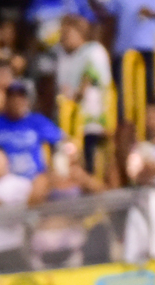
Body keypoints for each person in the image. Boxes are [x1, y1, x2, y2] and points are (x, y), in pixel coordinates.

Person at [54, 15, 114, 170]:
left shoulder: (93, 50)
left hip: (93, 112)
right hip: (72, 115)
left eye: (67, 34)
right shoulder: (66, 56)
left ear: (80, 32)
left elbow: (92, 76)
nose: (63, 38)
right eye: (62, 34)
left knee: (91, 149)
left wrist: (77, 93)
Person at [0, 80, 62, 179]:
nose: (17, 102)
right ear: (6, 101)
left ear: (27, 101)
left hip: (34, 177)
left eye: (21, 98)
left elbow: (61, 141)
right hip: (4, 178)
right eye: (13, 98)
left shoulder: (37, 121)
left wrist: (55, 168)